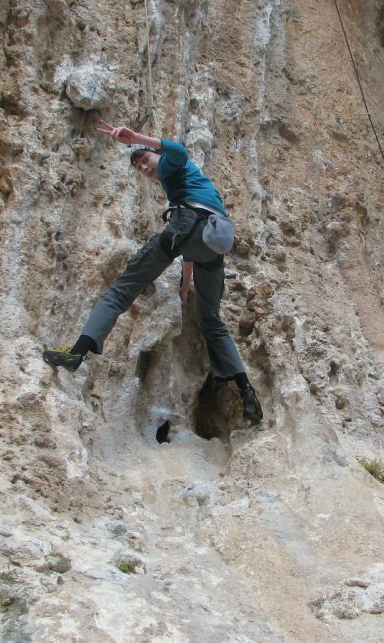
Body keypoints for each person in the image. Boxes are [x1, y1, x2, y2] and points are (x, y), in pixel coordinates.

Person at [41, 119, 263, 425]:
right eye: (139, 167)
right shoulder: (196, 185)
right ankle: (246, 390)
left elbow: (179, 151)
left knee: (121, 290)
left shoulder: (173, 166)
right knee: (212, 321)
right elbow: (195, 242)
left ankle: (77, 351)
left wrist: (135, 137)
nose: (145, 168)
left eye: (146, 160)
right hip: (212, 244)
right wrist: (185, 283)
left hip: (186, 227)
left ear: (157, 155)